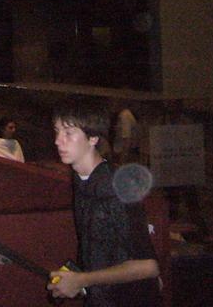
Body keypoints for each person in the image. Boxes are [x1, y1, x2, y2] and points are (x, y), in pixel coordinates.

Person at [48, 101, 161, 307]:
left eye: (69, 133)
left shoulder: (115, 187)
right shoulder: (80, 179)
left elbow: (148, 267)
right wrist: (74, 281)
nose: (58, 141)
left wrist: (82, 280)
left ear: (93, 137)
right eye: (57, 132)